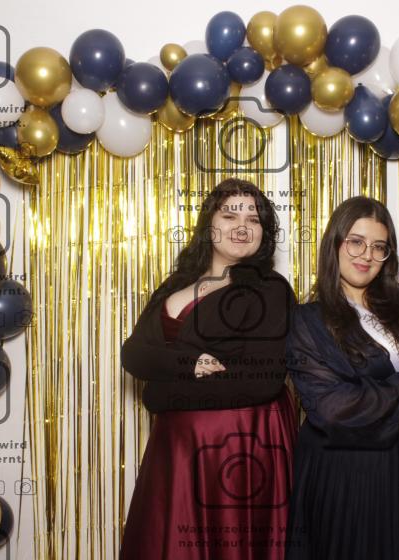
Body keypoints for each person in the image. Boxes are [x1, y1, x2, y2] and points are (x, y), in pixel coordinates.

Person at [285, 196, 399, 559]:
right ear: (335, 244)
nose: (366, 255)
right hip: (344, 477)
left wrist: (392, 415)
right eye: (355, 242)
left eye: (378, 247)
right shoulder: (307, 321)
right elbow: (333, 408)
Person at [120, 178, 297, 560]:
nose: (242, 226)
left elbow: (262, 380)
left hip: (239, 443)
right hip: (176, 447)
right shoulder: (176, 284)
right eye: (230, 215)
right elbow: (134, 354)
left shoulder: (270, 288)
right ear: (209, 223)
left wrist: (160, 393)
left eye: (253, 219)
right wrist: (190, 363)